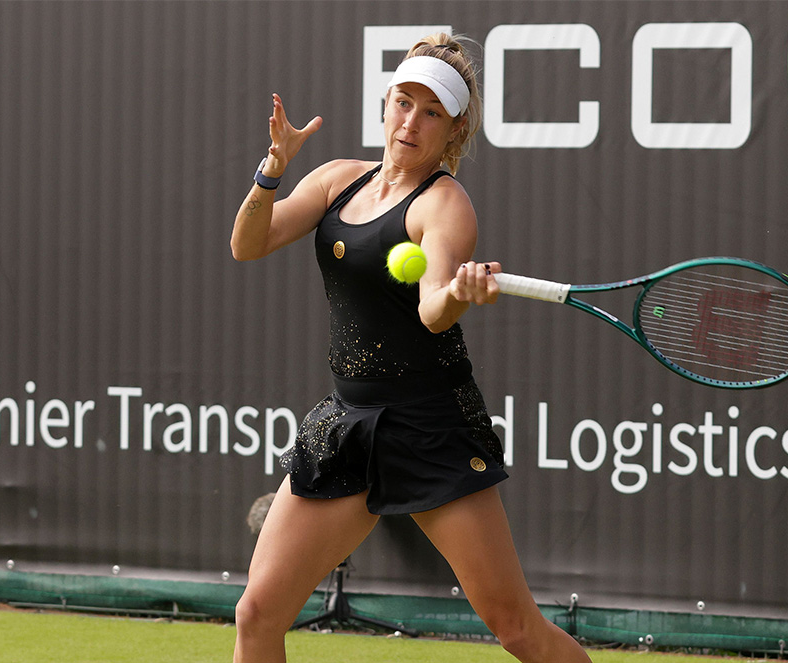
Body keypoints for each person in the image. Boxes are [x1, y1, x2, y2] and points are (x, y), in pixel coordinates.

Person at [229, 33, 591, 663]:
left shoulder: (446, 205)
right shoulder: (338, 180)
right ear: (385, 103)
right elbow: (247, 244)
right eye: (403, 103)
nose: (410, 123)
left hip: (429, 426)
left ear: (454, 131)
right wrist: (272, 171)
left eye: (431, 113)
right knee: (256, 614)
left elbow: (431, 311)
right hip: (348, 421)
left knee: (515, 628)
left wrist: (459, 294)